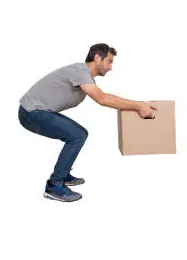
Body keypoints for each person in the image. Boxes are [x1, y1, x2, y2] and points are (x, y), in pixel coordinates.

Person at [18, 43, 157, 202]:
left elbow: (104, 97)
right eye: (109, 61)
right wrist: (139, 106)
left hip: (36, 112)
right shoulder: (80, 71)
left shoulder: (83, 75)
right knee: (77, 135)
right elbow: (102, 99)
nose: (111, 67)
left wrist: (138, 104)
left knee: (79, 134)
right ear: (97, 57)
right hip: (31, 113)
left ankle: (62, 175)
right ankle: (54, 186)